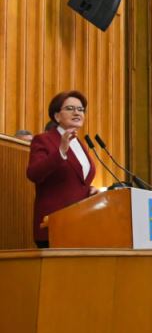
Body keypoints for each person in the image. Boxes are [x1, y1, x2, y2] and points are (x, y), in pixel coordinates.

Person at [26, 90, 98, 248]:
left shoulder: (81, 144)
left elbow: (76, 180)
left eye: (80, 109)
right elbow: (33, 174)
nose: (77, 113)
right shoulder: (44, 140)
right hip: (54, 225)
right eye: (70, 108)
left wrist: (91, 191)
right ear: (57, 116)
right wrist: (60, 152)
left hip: (81, 225)